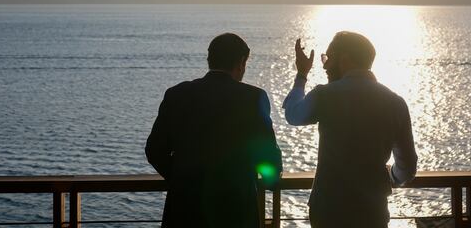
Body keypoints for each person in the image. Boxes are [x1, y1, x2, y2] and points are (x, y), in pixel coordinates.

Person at [146, 33, 282, 228]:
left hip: (184, 211)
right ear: (242, 62)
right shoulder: (253, 98)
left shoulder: (177, 94)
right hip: (236, 212)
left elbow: (154, 150)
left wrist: (183, 179)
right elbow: (268, 158)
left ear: (210, 59)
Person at [283, 31, 418, 228]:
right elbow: (407, 167)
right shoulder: (395, 102)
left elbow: (293, 115)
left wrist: (302, 74)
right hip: (372, 211)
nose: (324, 64)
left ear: (345, 59)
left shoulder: (325, 96)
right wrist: (392, 177)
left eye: (328, 57)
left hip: (329, 211)